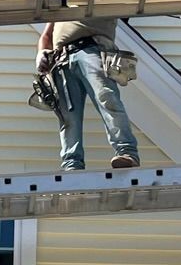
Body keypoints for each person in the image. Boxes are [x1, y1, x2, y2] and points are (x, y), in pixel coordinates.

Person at [37, 19, 140, 171]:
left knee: (107, 98)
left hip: (93, 48)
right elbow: (47, 35)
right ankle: (71, 164)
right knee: (67, 116)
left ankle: (127, 153)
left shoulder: (100, 2)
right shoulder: (59, 7)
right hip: (61, 59)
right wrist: (42, 51)